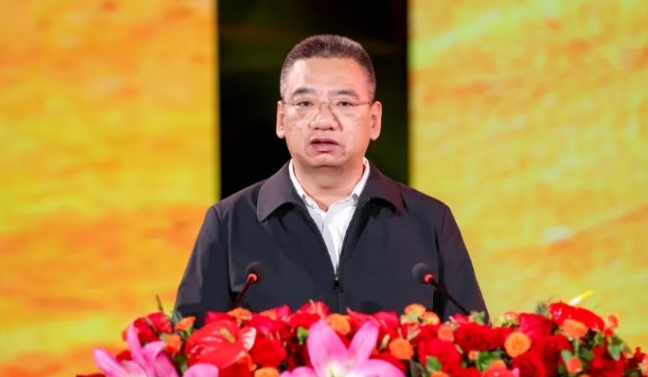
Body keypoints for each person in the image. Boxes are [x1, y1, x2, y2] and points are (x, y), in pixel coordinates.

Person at [174, 34, 487, 324]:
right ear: (281, 118)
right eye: (304, 103)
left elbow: (474, 344)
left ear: (374, 120)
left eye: (344, 103)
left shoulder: (430, 222)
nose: (323, 121)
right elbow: (189, 345)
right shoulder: (229, 223)